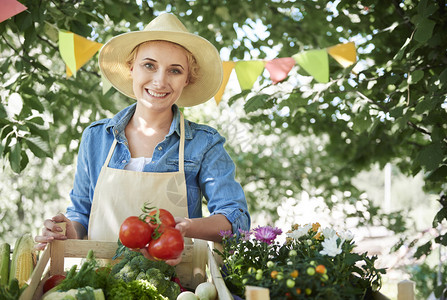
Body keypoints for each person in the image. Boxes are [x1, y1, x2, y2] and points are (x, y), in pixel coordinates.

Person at [34, 13, 250, 272]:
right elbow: (82, 215)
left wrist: (186, 228)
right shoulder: (96, 137)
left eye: (175, 71)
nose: (160, 81)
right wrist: (67, 229)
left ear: (187, 79)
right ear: (131, 67)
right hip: (99, 282)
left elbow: (237, 222)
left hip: (177, 286)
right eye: (149, 65)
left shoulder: (204, 143)